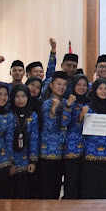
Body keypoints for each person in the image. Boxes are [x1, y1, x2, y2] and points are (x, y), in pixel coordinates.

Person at [81, 79, 106, 199]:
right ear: (94, 90)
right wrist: (81, 116)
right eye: (100, 88)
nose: (103, 91)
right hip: (92, 155)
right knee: (93, 188)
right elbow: (78, 129)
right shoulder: (88, 108)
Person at [38, 71, 69, 199]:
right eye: (58, 84)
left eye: (64, 85)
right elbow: (49, 127)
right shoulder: (47, 103)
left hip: (62, 152)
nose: (61, 87)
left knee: (57, 188)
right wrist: (53, 109)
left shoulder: (66, 103)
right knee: (47, 189)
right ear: (51, 85)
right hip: (48, 153)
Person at [62, 74, 89, 199]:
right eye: (78, 84)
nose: (81, 87)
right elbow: (64, 123)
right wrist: (79, 115)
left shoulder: (89, 102)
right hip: (72, 148)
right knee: (71, 181)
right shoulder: (68, 102)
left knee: (84, 181)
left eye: (84, 85)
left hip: (86, 148)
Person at [9, 84, 39, 199]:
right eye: (17, 96)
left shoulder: (33, 115)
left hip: (26, 161)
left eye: (23, 96)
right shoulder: (8, 115)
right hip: (10, 161)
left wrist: (33, 161)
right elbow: (6, 140)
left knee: (24, 193)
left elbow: (34, 139)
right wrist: (10, 162)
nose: (20, 100)